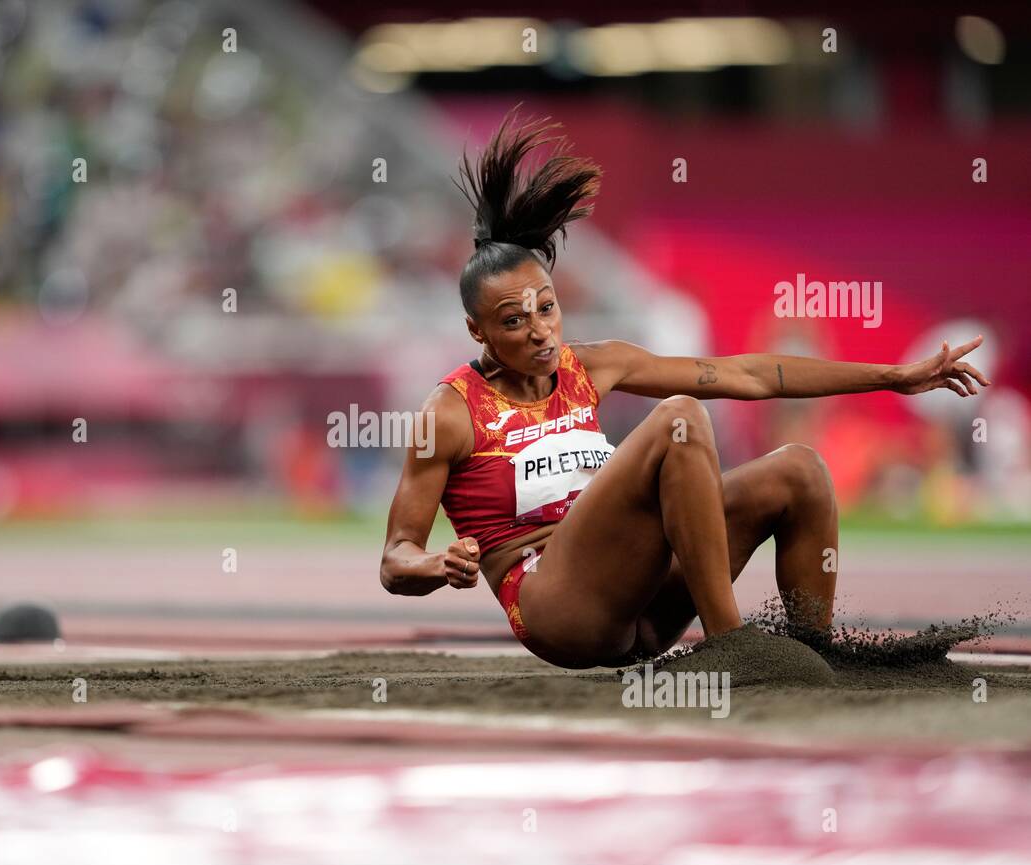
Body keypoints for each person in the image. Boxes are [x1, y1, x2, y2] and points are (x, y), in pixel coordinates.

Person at [380, 111, 990, 669]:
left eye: (548, 308)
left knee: (799, 469)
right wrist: (434, 563)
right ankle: (733, 647)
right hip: (560, 611)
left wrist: (893, 377)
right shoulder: (452, 411)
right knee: (679, 418)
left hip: (645, 605)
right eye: (515, 321)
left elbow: (746, 375)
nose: (540, 332)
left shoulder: (593, 367)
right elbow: (395, 559)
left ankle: (811, 659)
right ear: (476, 329)